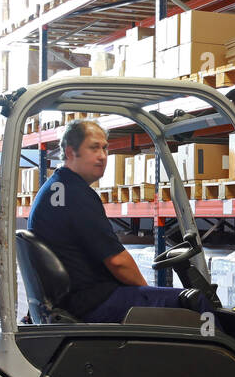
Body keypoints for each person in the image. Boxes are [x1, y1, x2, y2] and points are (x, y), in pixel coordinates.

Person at [27, 119, 209, 323]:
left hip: (75, 299)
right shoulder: (74, 194)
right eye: (94, 148)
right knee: (197, 301)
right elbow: (118, 262)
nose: (102, 156)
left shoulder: (57, 187)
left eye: (105, 148)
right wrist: (146, 293)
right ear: (70, 152)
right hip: (91, 303)